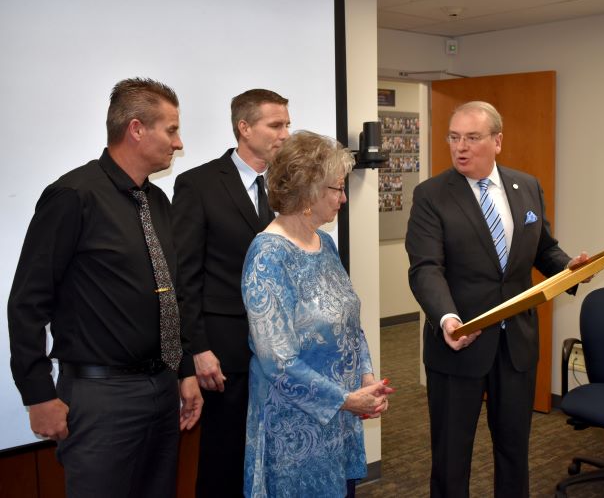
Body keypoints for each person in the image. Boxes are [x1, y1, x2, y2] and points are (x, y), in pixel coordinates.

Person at [7, 77, 203, 498]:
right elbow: (27, 302)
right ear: (136, 129)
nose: (179, 142)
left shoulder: (158, 202)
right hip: (101, 398)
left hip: (160, 388)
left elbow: (172, 295)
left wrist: (184, 370)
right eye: (171, 130)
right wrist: (37, 393)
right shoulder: (72, 196)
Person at [405, 101, 589, 498]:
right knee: (452, 457)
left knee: (514, 450)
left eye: (472, 137)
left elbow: (542, 248)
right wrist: (447, 318)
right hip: (460, 342)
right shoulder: (431, 195)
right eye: (454, 137)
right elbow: (425, 268)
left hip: (515, 344)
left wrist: (568, 267)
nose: (460, 147)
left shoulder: (527, 186)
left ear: (497, 140)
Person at [241, 130, 395, 498]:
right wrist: (345, 399)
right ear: (308, 191)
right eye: (336, 189)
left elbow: (349, 322)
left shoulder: (324, 243)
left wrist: (366, 381)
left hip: (339, 416)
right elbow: (277, 360)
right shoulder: (267, 256)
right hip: (294, 429)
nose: (343, 198)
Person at [171, 88, 289, 497]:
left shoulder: (288, 185)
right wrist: (196, 349)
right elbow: (184, 277)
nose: (285, 134)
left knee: (275, 458)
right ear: (244, 127)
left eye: (287, 124)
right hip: (225, 354)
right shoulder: (198, 184)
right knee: (225, 460)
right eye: (276, 125)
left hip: (282, 352)